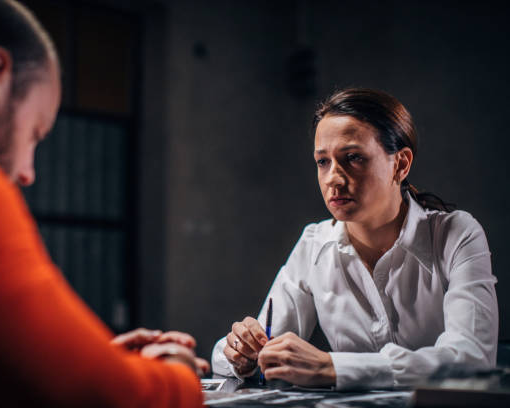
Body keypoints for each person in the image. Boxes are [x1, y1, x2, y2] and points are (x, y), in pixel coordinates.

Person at [0, 0, 207, 406]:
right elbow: (109, 400)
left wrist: (96, 360)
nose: (29, 173)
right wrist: (180, 374)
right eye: (35, 134)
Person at [211, 88, 498, 390]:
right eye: (323, 162)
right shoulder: (314, 244)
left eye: (353, 158)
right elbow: (258, 350)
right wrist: (241, 353)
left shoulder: (456, 235)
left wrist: (333, 367)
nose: (333, 178)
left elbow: (472, 360)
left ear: (400, 164)